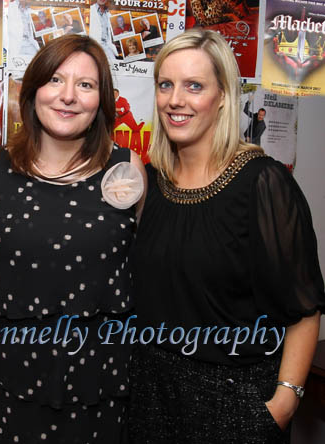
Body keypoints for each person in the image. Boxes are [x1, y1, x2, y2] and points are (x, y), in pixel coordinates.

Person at [129, 29, 324, 443]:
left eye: (194, 86)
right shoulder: (149, 183)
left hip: (233, 400)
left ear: (222, 97)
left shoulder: (263, 183)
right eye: (166, 84)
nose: (175, 100)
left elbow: (305, 309)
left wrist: (283, 404)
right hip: (148, 397)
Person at [0, 34, 146, 443]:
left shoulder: (126, 167)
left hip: (99, 389)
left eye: (85, 85)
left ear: (101, 100)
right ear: (33, 92)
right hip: (14, 386)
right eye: (55, 80)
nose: (68, 96)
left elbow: (142, 267)